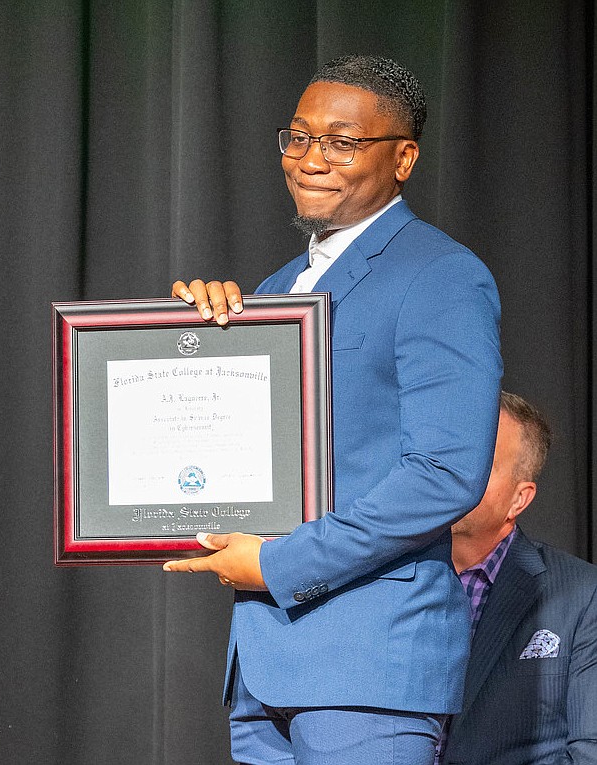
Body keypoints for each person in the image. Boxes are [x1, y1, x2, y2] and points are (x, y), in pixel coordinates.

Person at [163, 55, 503, 764]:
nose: (311, 158)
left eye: (342, 142)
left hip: (369, 667)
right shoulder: (275, 288)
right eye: (298, 137)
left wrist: (282, 562)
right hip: (263, 667)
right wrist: (186, 345)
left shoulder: (441, 275)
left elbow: (443, 473)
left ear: (403, 157)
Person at [440, 392, 597, 764]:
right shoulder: (389, 578)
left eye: (481, 462)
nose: (454, 474)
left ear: (519, 499)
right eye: (449, 456)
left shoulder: (580, 595)